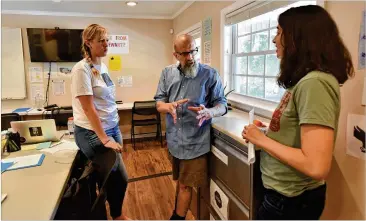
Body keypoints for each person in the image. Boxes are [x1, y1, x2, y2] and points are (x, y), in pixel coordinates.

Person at [241, 5, 354, 220]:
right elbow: (300, 136)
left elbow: (316, 165)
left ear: (297, 38)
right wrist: (271, 131)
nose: (274, 40)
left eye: (279, 32)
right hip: (282, 196)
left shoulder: (315, 83)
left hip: (289, 202)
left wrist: (261, 141)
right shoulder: (307, 81)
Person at [154, 34, 227, 220]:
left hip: (196, 141)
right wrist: (168, 107)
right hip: (175, 141)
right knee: (181, 181)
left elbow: (222, 104)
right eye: (185, 53)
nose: (191, 57)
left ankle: (177, 218)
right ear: (175, 55)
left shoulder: (209, 74)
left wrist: (210, 112)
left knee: (186, 185)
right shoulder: (167, 73)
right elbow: (159, 103)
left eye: (193, 51)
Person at [71, 24, 130, 220]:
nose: (107, 44)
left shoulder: (102, 66)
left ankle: (104, 213)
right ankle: (117, 216)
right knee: (119, 178)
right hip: (92, 132)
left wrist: (112, 129)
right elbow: (88, 108)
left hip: (112, 127)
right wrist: (104, 139)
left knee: (107, 178)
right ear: (88, 43)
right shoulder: (81, 69)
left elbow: (105, 100)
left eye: (107, 39)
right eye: (101, 40)